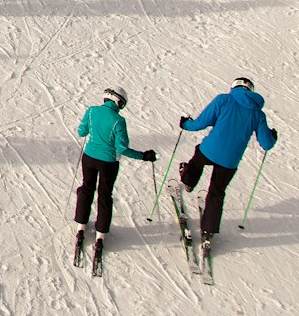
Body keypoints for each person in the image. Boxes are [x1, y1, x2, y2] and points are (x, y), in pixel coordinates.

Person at [177, 77, 277, 241]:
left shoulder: (224, 100)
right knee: (217, 192)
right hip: (230, 162)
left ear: (234, 87)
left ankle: (188, 181)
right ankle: (208, 232)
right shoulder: (258, 114)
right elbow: (266, 144)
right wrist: (272, 136)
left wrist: (185, 124)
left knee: (197, 160)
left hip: (209, 150)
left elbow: (201, 123)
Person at [75, 87, 157, 265]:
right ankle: (100, 236)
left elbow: (81, 132)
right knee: (104, 195)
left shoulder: (91, 111)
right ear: (118, 101)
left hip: (89, 158)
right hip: (108, 163)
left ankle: (81, 227)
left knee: (86, 188)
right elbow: (122, 149)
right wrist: (144, 156)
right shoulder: (119, 121)